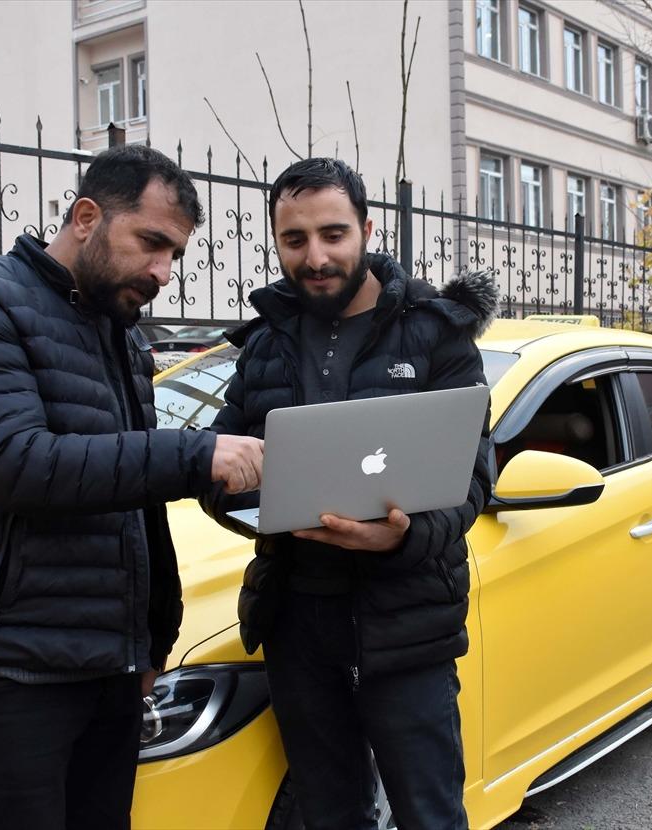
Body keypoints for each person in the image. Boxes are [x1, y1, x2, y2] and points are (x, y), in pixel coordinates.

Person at [0, 144, 263, 830]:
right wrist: (200, 454)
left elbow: (134, 503)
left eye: (174, 255)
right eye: (150, 243)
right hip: (10, 674)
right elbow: (19, 463)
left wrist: (152, 640)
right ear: (87, 216)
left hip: (111, 668)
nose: (162, 271)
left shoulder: (122, 336)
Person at [199, 158, 496, 830]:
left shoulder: (436, 332)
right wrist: (239, 490)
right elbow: (217, 464)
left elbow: (474, 476)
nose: (316, 255)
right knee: (330, 816)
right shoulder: (265, 343)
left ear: (367, 228)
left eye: (333, 233)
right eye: (294, 239)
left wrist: (404, 534)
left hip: (406, 623)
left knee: (429, 815)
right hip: (298, 624)